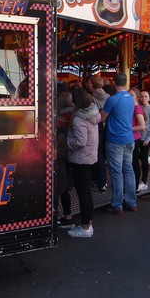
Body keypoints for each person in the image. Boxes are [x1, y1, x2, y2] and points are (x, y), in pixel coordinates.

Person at [101, 72, 138, 214]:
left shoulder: (113, 99)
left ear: (113, 82)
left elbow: (102, 117)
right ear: (126, 81)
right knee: (128, 170)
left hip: (115, 139)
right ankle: (131, 202)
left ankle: (117, 204)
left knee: (117, 173)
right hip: (129, 138)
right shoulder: (131, 98)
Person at [66, 88, 102, 238]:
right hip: (90, 157)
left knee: (83, 194)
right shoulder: (93, 114)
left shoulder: (78, 118)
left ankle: (85, 227)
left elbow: (80, 142)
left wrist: (66, 142)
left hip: (80, 159)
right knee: (86, 193)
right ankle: (88, 224)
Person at [56, 89, 76, 228]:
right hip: (73, 153)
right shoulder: (76, 115)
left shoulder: (57, 119)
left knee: (58, 186)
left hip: (59, 154)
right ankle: (68, 215)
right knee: (65, 186)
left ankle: (58, 216)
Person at [88, 75, 110, 192]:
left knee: (97, 153)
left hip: (96, 126)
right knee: (102, 153)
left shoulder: (90, 98)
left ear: (91, 84)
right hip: (108, 126)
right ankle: (103, 182)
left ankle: (99, 180)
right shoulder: (109, 97)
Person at [135, 90, 150, 192]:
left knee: (143, 160)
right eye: (142, 96)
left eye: (145, 96)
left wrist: (148, 138)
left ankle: (144, 181)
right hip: (138, 136)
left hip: (146, 137)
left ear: (149, 98)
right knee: (139, 156)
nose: (143, 98)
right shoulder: (139, 107)